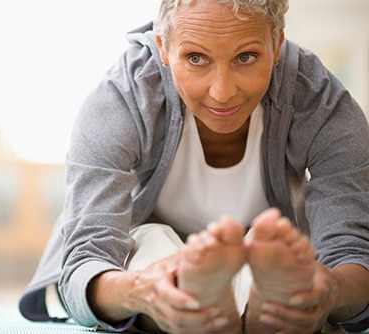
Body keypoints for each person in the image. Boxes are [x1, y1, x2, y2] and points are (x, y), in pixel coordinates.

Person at [18, 0, 369, 333]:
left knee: (280, 254)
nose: (221, 92)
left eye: (246, 57)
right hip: (142, 256)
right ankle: (196, 296)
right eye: (196, 58)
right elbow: (88, 260)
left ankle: (263, 300)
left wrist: (328, 289)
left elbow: (351, 252)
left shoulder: (319, 102)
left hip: (267, 258)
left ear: (276, 45)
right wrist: (144, 290)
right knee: (149, 243)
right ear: (163, 46)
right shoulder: (120, 98)